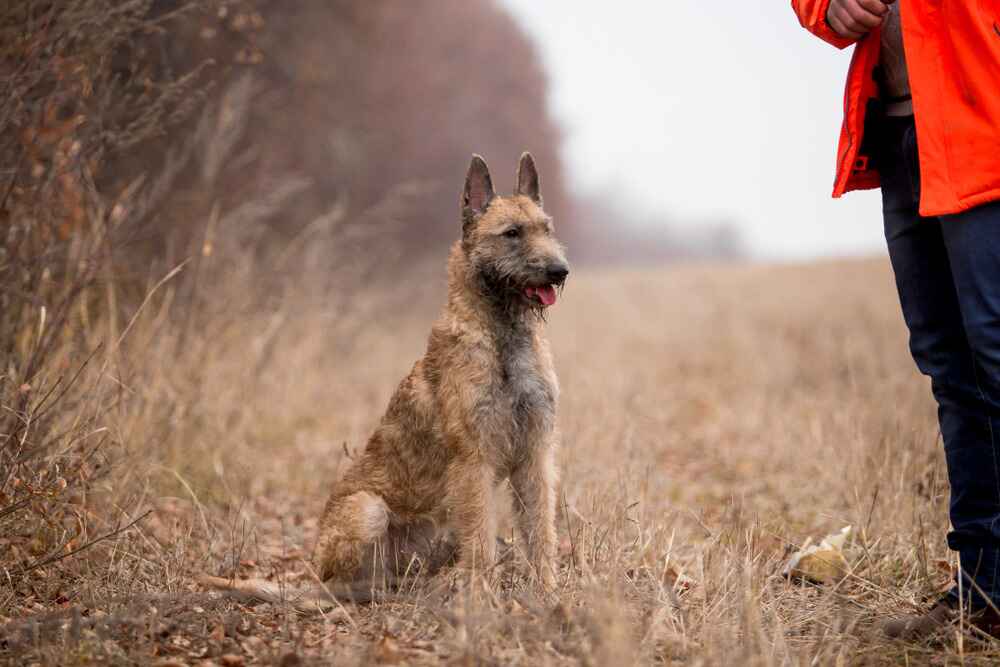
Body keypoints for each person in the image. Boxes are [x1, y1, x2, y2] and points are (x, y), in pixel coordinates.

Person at [792, 0, 1000, 639]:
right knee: (951, 367)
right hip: (901, 129)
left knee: (994, 353)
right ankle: (984, 591)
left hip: (986, 127)